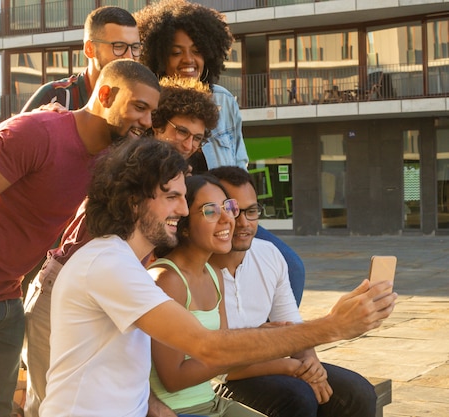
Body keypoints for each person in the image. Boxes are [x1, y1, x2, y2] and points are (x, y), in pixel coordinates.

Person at [40, 136, 396, 417]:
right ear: (134, 200)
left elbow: (115, 362)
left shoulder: (124, 263)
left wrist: (152, 406)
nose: (182, 209)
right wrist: (333, 325)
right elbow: (206, 347)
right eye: (172, 197)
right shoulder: (109, 264)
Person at [0, 59, 160, 417]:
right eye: (140, 107)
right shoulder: (38, 132)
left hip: (8, 295)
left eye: (152, 112)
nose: (147, 122)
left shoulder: (108, 158)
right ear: (105, 94)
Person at [22, 74, 219, 417]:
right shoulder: (124, 164)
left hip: (113, 288)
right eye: (181, 132)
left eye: (198, 138)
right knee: (47, 400)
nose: (188, 144)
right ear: (156, 126)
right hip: (64, 284)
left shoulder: (172, 177)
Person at [135, 0, 306, 306]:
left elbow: (239, 166)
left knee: (290, 267)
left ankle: (267, 336)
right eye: (176, 51)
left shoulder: (223, 102)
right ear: (158, 55)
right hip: (173, 223)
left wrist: (238, 215)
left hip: (223, 213)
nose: (189, 59)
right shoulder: (150, 105)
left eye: (197, 50)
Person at [208, 166, 377, 417]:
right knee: (296, 397)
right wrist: (290, 366)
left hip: (267, 364)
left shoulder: (269, 254)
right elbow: (214, 366)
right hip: (219, 379)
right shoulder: (199, 267)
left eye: (252, 211)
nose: (244, 222)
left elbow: (293, 328)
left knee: (358, 393)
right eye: (234, 210)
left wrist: (310, 364)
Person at [148, 174, 264, 417]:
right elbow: (173, 378)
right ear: (185, 226)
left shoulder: (213, 273)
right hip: (179, 410)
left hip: (213, 403)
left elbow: (221, 351)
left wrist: (269, 341)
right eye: (210, 211)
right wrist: (258, 344)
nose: (227, 219)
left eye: (227, 207)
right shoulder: (167, 280)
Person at [20, 6, 140, 112]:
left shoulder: (144, 101)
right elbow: (9, 135)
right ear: (89, 49)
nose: (129, 56)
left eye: (135, 47)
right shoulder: (54, 96)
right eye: (119, 47)